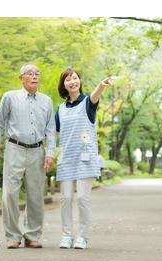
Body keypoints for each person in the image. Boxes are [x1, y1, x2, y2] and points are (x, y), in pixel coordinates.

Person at [0, 63, 56, 249]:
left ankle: (32, 234)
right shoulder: (10, 97)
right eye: (30, 73)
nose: (34, 76)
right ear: (21, 78)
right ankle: (12, 236)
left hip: (37, 151)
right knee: (10, 193)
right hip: (15, 148)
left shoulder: (47, 101)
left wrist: (50, 153)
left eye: (37, 73)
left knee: (35, 195)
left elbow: (51, 131)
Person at [55, 68, 112, 249]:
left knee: (82, 198)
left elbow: (95, 95)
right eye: (68, 80)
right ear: (63, 85)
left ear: (79, 81)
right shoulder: (61, 109)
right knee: (65, 198)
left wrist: (101, 86)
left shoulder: (88, 102)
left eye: (75, 78)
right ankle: (66, 235)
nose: (72, 82)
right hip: (66, 158)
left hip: (85, 158)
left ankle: (83, 236)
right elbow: (52, 131)